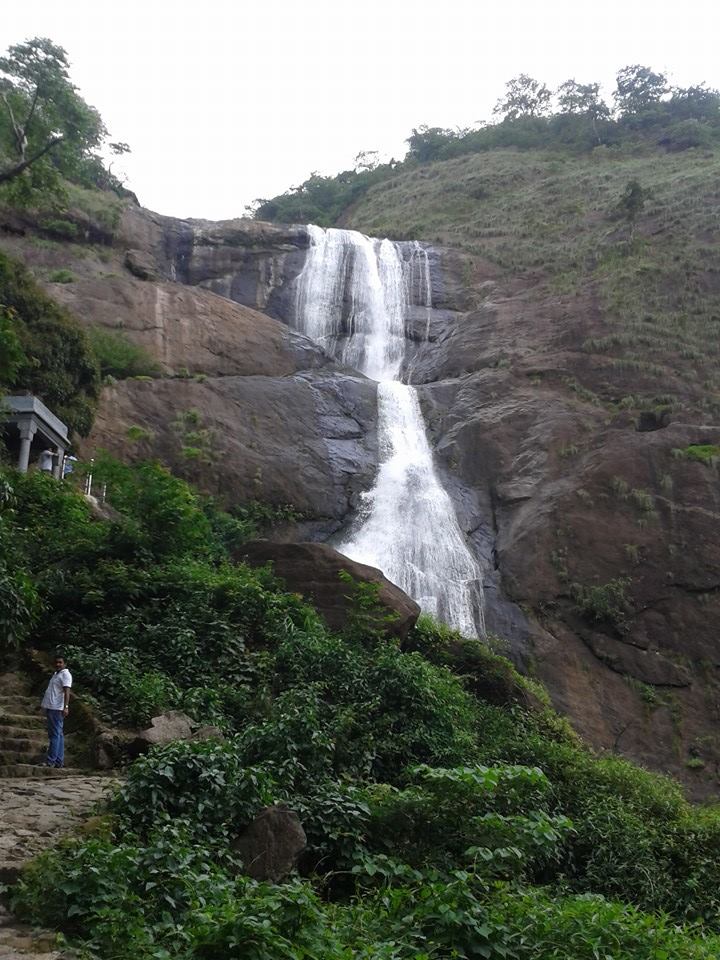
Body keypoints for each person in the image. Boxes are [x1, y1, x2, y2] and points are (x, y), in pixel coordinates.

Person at [40, 655, 72, 768]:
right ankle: (59, 761)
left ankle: (51, 761)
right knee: (59, 734)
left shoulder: (65, 675)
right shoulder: (56, 674)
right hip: (51, 707)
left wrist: (66, 706)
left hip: (56, 708)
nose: (58, 664)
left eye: (60, 662)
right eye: (56, 662)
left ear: (65, 664)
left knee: (54, 735)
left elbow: (67, 692)